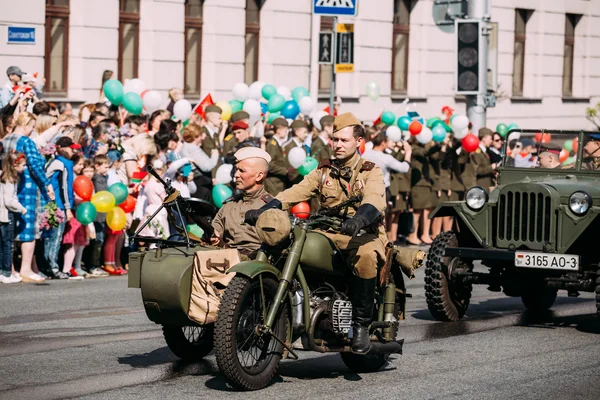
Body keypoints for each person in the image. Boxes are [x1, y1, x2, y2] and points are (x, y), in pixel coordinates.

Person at [245, 112, 387, 355]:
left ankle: (361, 326)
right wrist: (265, 210)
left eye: (344, 140)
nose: (338, 145)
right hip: (328, 231)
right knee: (287, 243)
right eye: (335, 140)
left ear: (358, 142)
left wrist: (359, 219)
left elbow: (374, 200)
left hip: (363, 233)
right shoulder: (324, 171)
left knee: (366, 255)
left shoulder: (370, 171)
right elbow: (295, 192)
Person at [1, 112, 55, 283]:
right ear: (25, 125)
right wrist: (47, 184)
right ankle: (26, 269)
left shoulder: (5, 140)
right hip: (28, 189)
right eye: (31, 127)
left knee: (9, 232)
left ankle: (10, 269)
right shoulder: (26, 141)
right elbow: (34, 165)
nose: (32, 131)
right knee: (28, 229)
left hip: (8, 187)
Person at [211, 147, 273, 259]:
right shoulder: (229, 205)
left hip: (256, 267)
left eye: (242, 171)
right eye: (236, 170)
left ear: (259, 176)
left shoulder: (271, 207)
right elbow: (215, 230)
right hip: (225, 261)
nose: (236, 175)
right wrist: (212, 236)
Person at [0, 151, 27, 283]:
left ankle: (2, 271)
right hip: (6, 215)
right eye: (23, 165)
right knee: (8, 244)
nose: (25, 168)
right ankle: (6, 272)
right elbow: (9, 201)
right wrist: (22, 209)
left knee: (2, 244)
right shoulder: (10, 180)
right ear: (15, 165)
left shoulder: (2, 176)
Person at [264, 117, 290, 195]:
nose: (286, 133)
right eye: (285, 131)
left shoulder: (277, 143)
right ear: (278, 130)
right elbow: (270, 165)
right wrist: (286, 171)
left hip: (278, 182)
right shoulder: (272, 144)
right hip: (273, 184)